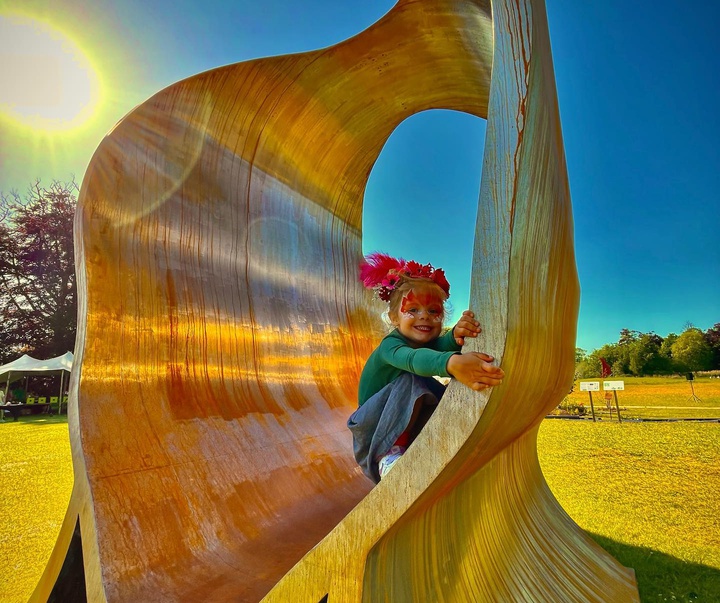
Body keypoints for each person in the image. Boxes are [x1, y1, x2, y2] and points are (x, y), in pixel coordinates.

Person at [347, 252, 505, 482]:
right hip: (373, 431)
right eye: (413, 310)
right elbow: (415, 359)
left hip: (403, 423)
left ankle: (441, 443)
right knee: (412, 380)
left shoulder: (427, 344)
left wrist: (456, 338)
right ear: (393, 317)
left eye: (433, 311)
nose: (425, 317)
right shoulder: (391, 346)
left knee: (439, 390)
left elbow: (437, 348)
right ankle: (389, 457)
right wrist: (450, 362)